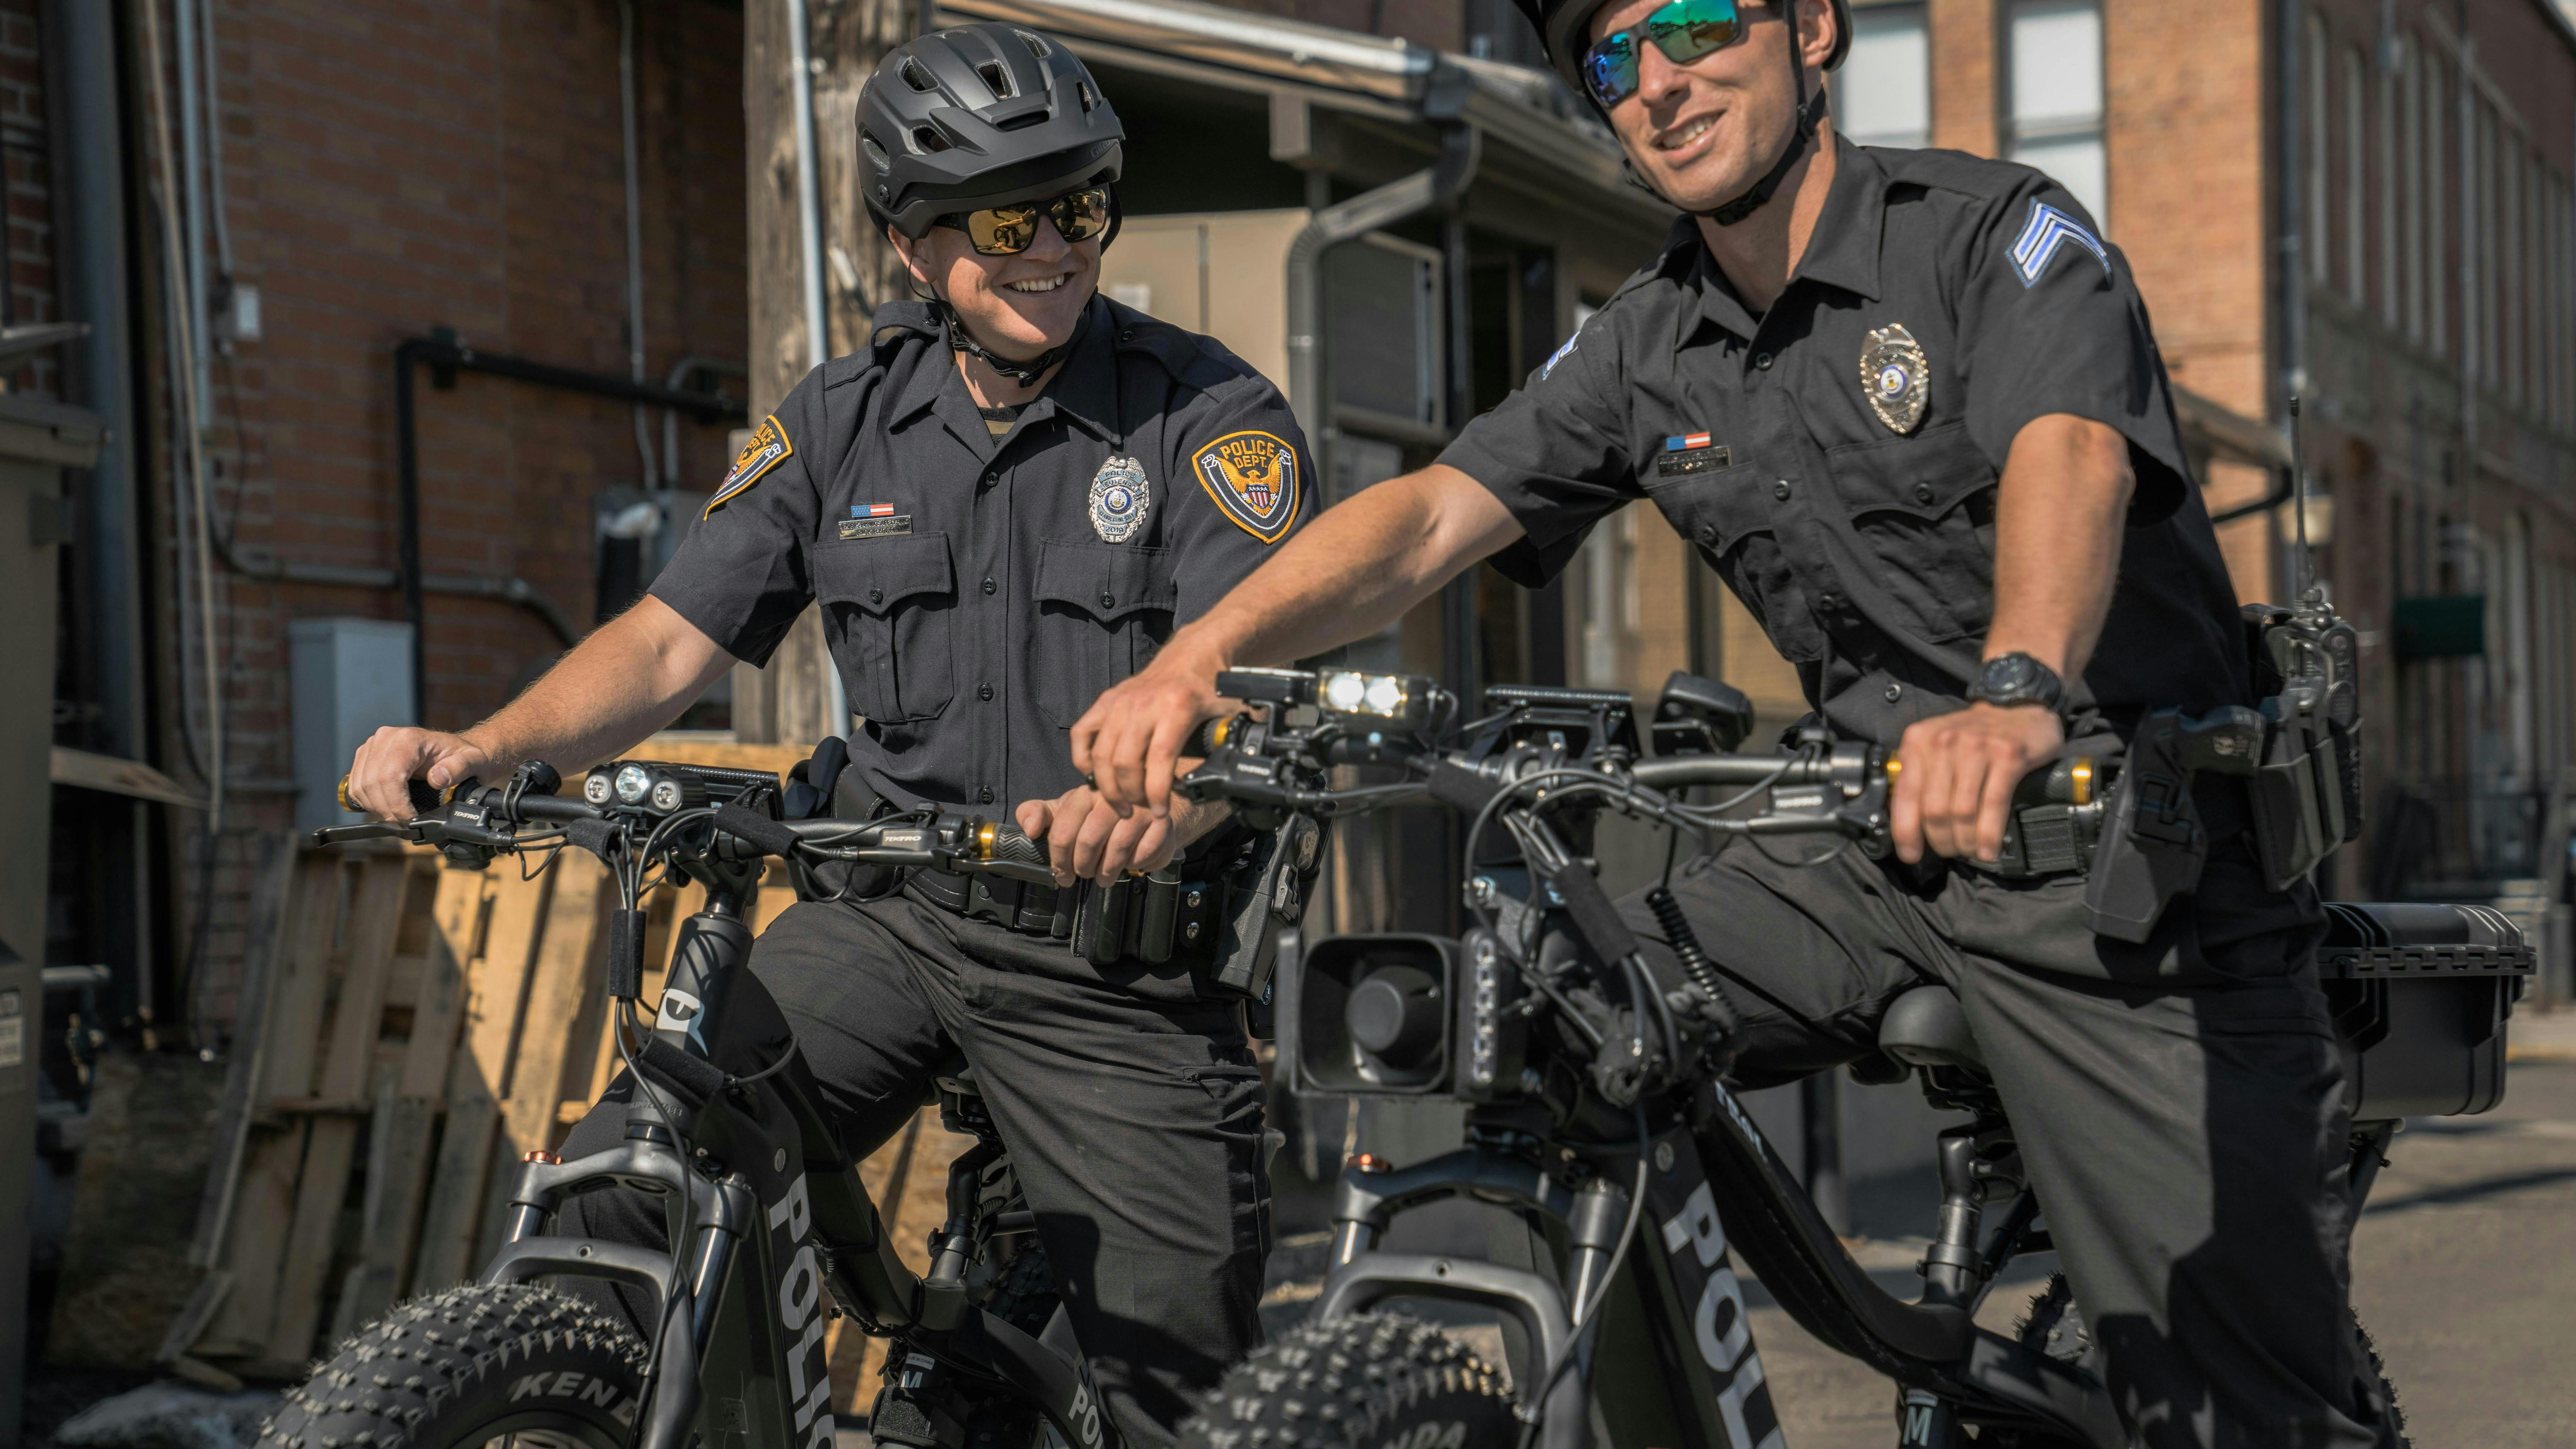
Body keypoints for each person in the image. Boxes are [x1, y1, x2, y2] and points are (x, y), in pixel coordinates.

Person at [1069, 1, 2395, 1444]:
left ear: (1810, 27)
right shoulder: (1650, 340)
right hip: (1873, 859)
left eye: (1693, 22)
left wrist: (2012, 692)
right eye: (1610, 59)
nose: (1658, 83)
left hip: (2121, 877)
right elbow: (1430, 516)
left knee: (2238, 1408)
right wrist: (1196, 658)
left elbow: (2062, 449)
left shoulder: (1984, 236)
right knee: (1556, 1003)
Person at [342, 24, 1311, 1446]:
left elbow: (1247, 662)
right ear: (916, 249)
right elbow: (674, 636)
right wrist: (491, 748)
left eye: (1080, 206)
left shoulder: (1207, 414)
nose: (1052, 245)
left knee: (1184, 1401)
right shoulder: (840, 425)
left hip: (1110, 952)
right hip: (888, 922)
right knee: (631, 1184)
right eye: (1006, 217)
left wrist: (1164, 798)